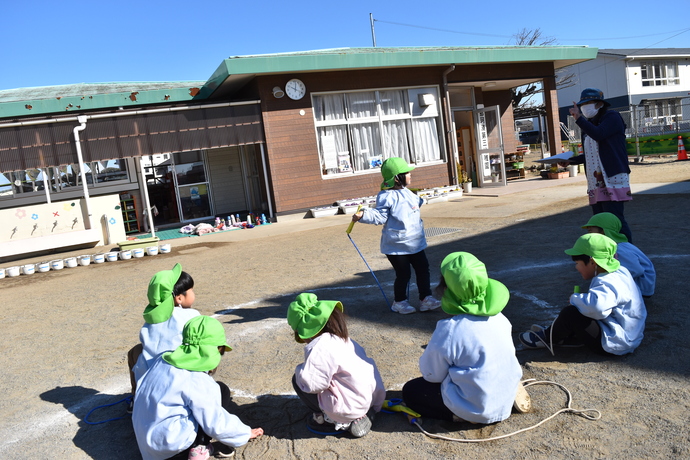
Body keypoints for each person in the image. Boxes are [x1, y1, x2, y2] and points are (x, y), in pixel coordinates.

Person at [402, 252, 530, 424]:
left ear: (447, 290)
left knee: (411, 390)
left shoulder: (450, 329)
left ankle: (462, 415)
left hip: (475, 406)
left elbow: (432, 375)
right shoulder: (501, 318)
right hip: (504, 396)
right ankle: (503, 395)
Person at [132, 315, 263, 460]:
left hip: (146, 445)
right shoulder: (197, 379)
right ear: (215, 350)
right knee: (218, 395)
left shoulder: (162, 360)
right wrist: (244, 433)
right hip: (172, 451)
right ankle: (199, 446)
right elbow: (215, 422)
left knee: (219, 390)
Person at [519, 233, 646, 355]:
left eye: (577, 263)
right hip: (629, 335)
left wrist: (575, 299)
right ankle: (569, 335)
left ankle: (548, 338)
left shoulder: (606, 281)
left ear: (592, 262)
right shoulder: (620, 271)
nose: (576, 267)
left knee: (571, 313)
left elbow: (598, 309)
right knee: (582, 308)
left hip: (615, 343)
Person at [351, 157, 441, 314]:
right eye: (406, 173)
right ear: (397, 178)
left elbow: (414, 203)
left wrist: (419, 202)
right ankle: (399, 302)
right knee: (404, 273)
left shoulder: (408, 192)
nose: (410, 175)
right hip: (396, 245)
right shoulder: (386, 196)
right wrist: (363, 215)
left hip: (415, 242)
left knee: (423, 269)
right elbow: (380, 216)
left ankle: (425, 298)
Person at [288, 292, 385, 437]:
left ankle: (331, 420)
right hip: (371, 398)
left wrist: (301, 370)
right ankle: (362, 413)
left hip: (348, 407)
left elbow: (312, 385)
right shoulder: (343, 339)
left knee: (298, 379)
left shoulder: (320, 347)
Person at [564, 88, 633, 243]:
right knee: (599, 221)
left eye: (588, 103)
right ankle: (606, 252)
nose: (584, 107)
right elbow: (590, 154)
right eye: (582, 104)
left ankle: (628, 252)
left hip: (612, 176)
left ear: (600, 104)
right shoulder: (588, 125)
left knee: (614, 219)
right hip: (596, 180)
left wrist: (579, 119)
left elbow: (599, 134)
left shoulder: (612, 117)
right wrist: (571, 161)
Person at [127, 263, 200, 402]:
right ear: (179, 298)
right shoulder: (192, 316)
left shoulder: (151, 320)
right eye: (192, 290)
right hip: (176, 382)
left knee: (135, 352)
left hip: (150, 386)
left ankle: (136, 398)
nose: (194, 293)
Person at [581, 212, 655, 297]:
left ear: (603, 231)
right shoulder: (614, 245)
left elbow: (637, 270)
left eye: (590, 231)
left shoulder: (619, 249)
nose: (588, 235)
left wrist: (612, 279)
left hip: (640, 290)